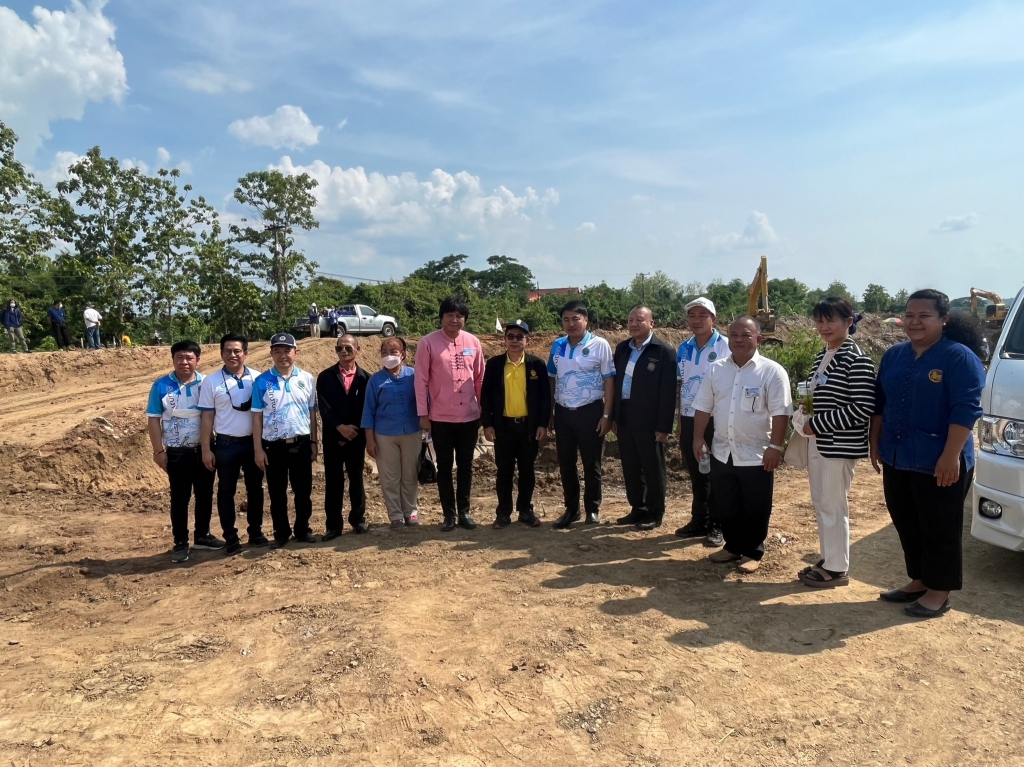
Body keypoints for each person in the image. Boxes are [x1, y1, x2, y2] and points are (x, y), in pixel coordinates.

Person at [871, 289, 985, 618]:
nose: (915, 322)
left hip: (939, 460)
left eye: (924, 316)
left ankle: (939, 592)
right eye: (910, 315)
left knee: (939, 527)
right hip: (897, 455)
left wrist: (950, 456)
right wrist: (875, 441)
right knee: (907, 521)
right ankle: (919, 580)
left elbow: (965, 410)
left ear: (943, 319)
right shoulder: (894, 355)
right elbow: (880, 402)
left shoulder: (958, 357)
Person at [692, 317, 791, 573]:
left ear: (758, 339)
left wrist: (775, 447)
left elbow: (781, 413)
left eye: (745, 335)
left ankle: (752, 551)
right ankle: (733, 545)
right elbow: (703, 406)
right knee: (727, 502)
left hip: (756, 453)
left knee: (756, 505)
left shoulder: (772, 372)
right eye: (734, 335)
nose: (738, 339)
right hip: (722, 451)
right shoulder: (716, 370)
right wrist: (698, 437)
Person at [795, 299, 876, 589]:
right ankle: (830, 558)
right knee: (823, 504)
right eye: (819, 321)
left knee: (833, 505)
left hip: (838, 445)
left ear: (849, 322)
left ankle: (836, 568)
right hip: (819, 442)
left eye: (830, 320)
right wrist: (805, 410)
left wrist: (817, 423)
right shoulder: (825, 355)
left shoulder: (856, 359)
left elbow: (863, 407)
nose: (824, 327)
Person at [146, 340, 222, 563]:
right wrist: (158, 451)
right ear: (173, 359)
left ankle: (203, 535)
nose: (184, 362)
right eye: (179, 357)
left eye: (189, 358)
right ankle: (180, 542)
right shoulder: (161, 386)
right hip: (177, 453)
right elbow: (153, 419)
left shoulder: (207, 384)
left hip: (205, 450)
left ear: (198, 360)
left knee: (205, 494)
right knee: (180, 498)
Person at [415, 295, 485, 532]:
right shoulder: (428, 343)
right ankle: (449, 515)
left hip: (469, 417)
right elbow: (421, 380)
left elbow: (480, 378)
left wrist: (483, 411)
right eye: (450, 315)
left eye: (459, 316)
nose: (454, 320)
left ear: (465, 319)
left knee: (466, 466)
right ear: (441, 317)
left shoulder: (473, 342)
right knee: (444, 467)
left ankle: (464, 511)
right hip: (440, 417)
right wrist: (423, 414)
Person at [547, 300, 615, 529]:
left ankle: (592, 509)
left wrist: (607, 415)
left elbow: (609, 380)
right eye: (566, 319)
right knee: (566, 463)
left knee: (591, 463)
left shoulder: (599, 345)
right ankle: (571, 510)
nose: (571, 324)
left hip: (590, 411)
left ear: (586, 320)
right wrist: (550, 411)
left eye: (576, 319)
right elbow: (552, 378)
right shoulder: (557, 345)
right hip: (564, 412)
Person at [198, 333, 267, 555]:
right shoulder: (211, 382)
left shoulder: (258, 379)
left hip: (253, 443)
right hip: (226, 445)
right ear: (221, 353)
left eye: (237, 351)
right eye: (227, 351)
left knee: (255, 489)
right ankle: (231, 537)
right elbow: (207, 417)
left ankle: (256, 532)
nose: (232, 355)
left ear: (246, 353)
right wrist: (206, 448)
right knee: (226, 491)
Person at [611, 306, 678, 531]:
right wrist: (614, 416)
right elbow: (616, 384)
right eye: (630, 320)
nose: (633, 324)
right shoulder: (622, 348)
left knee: (652, 467)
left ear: (651, 323)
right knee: (630, 466)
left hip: (650, 419)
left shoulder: (663, 351)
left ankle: (655, 511)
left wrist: (664, 425)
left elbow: (668, 393)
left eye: (639, 320)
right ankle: (637, 508)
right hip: (625, 416)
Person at [480, 319, 551, 529]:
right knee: (504, 471)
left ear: (527, 340)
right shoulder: (494, 365)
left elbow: (545, 398)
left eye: (520, 337)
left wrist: (542, 424)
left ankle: (526, 510)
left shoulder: (536, 365)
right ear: (504, 340)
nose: (515, 340)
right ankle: (503, 513)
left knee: (527, 471)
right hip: (503, 427)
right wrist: (487, 424)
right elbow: (486, 397)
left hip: (529, 428)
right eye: (510, 336)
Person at [252, 333, 319, 547]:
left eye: (287, 351)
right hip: (273, 446)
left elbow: (312, 413)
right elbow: (257, 417)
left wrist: (314, 442)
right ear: (271, 354)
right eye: (277, 351)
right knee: (277, 492)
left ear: (295, 353)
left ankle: (302, 529)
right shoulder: (261, 381)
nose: (283, 355)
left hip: (301, 443)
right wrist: (258, 449)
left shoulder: (307, 378)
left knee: (303, 491)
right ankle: (281, 532)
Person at [674, 297, 731, 546]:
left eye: (702, 315)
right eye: (692, 316)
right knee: (697, 473)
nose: (696, 320)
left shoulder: (725, 346)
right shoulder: (683, 348)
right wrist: (679, 421)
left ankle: (718, 525)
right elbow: (681, 386)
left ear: (713, 319)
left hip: (716, 420)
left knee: (717, 473)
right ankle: (699, 519)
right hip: (689, 418)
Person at [363, 337, 423, 527]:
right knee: (390, 477)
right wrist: (370, 440)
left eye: (393, 352)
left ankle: (411, 511)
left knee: (410, 474)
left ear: (403, 354)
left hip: (412, 431)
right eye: (384, 352)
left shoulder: (414, 376)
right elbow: (368, 411)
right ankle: (395, 514)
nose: (389, 356)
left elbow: (424, 402)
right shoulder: (375, 380)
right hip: (384, 435)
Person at [317, 334, 370, 539]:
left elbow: (366, 408)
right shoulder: (325, 377)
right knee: (333, 481)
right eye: (340, 348)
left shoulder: (366, 379)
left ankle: (358, 519)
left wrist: (353, 430)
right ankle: (333, 525)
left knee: (357, 479)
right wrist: (339, 427)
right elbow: (325, 407)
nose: (344, 352)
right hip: (333, 438)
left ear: (358, 350)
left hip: (356, 437)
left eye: (348, 348)